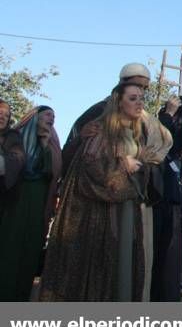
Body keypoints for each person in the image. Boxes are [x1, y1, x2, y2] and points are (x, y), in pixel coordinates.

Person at [39, 82, 172, 301]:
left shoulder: (136, 135)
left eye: (141, 98)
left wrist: (140, 167)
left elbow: (147, 163)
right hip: (99, 217)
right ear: (118, 102)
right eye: (132, 98)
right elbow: (93, 171)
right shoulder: (100, 131)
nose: (139, 103)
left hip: (127, 213)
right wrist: (123, 166)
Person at [0, 105, 61, 301]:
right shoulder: (14, 138)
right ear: (35, 117)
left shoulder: (51, 144)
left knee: (29, 251)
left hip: (38, 204)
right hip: (15, 202)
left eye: (54, 116)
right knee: (9, 248)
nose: (52, 118)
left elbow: (50, 172)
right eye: (47, 114)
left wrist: (44, 145)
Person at [60, 62, 154, 177]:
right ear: (122, 84)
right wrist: (81, 138)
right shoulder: (98, 112)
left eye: (145, 88)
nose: (141, 91)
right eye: (138, 85)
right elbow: (72, 153)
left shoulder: (141, 121)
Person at [151, 93, 182, 301]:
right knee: (156, 247)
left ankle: (166, 291)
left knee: (169, 251)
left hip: (172, 195)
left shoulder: (178, 129)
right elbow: (161, 140)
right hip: (156, 193)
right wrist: (169, 114)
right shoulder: (158, 122)